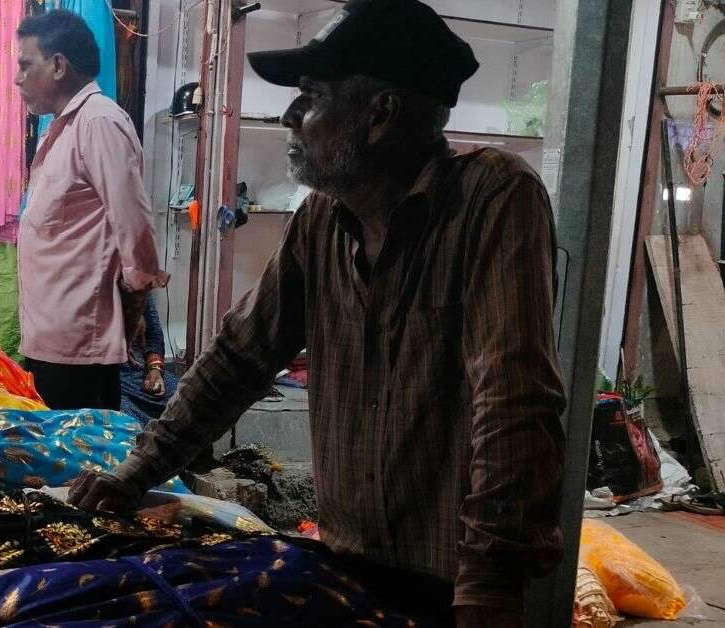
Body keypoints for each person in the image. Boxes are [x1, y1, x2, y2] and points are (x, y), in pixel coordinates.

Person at [69, 1, 566, 626]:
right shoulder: (321, 220)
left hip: (456, 582)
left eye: (311, 96)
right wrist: (135, 472)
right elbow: (238, 358)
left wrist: (489, 585)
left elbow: (514, 397)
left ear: (380, 114)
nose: (290, 116)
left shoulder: (492, 196)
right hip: (349, 565)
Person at [15, 10, 167, 411]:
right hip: (53, 338)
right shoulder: (60, 128)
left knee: (82, 447)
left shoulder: (99, 122)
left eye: (25, 65)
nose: (18, 79)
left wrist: (133, 308)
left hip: (79, 345)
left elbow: (134, 226)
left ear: (58, 65)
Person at [119, 294, 178, 424]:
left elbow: (153, 335)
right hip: (107, 376)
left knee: (187, 401)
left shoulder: (138, 288)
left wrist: (155, 370)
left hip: (139, 371)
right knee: (126, 421)